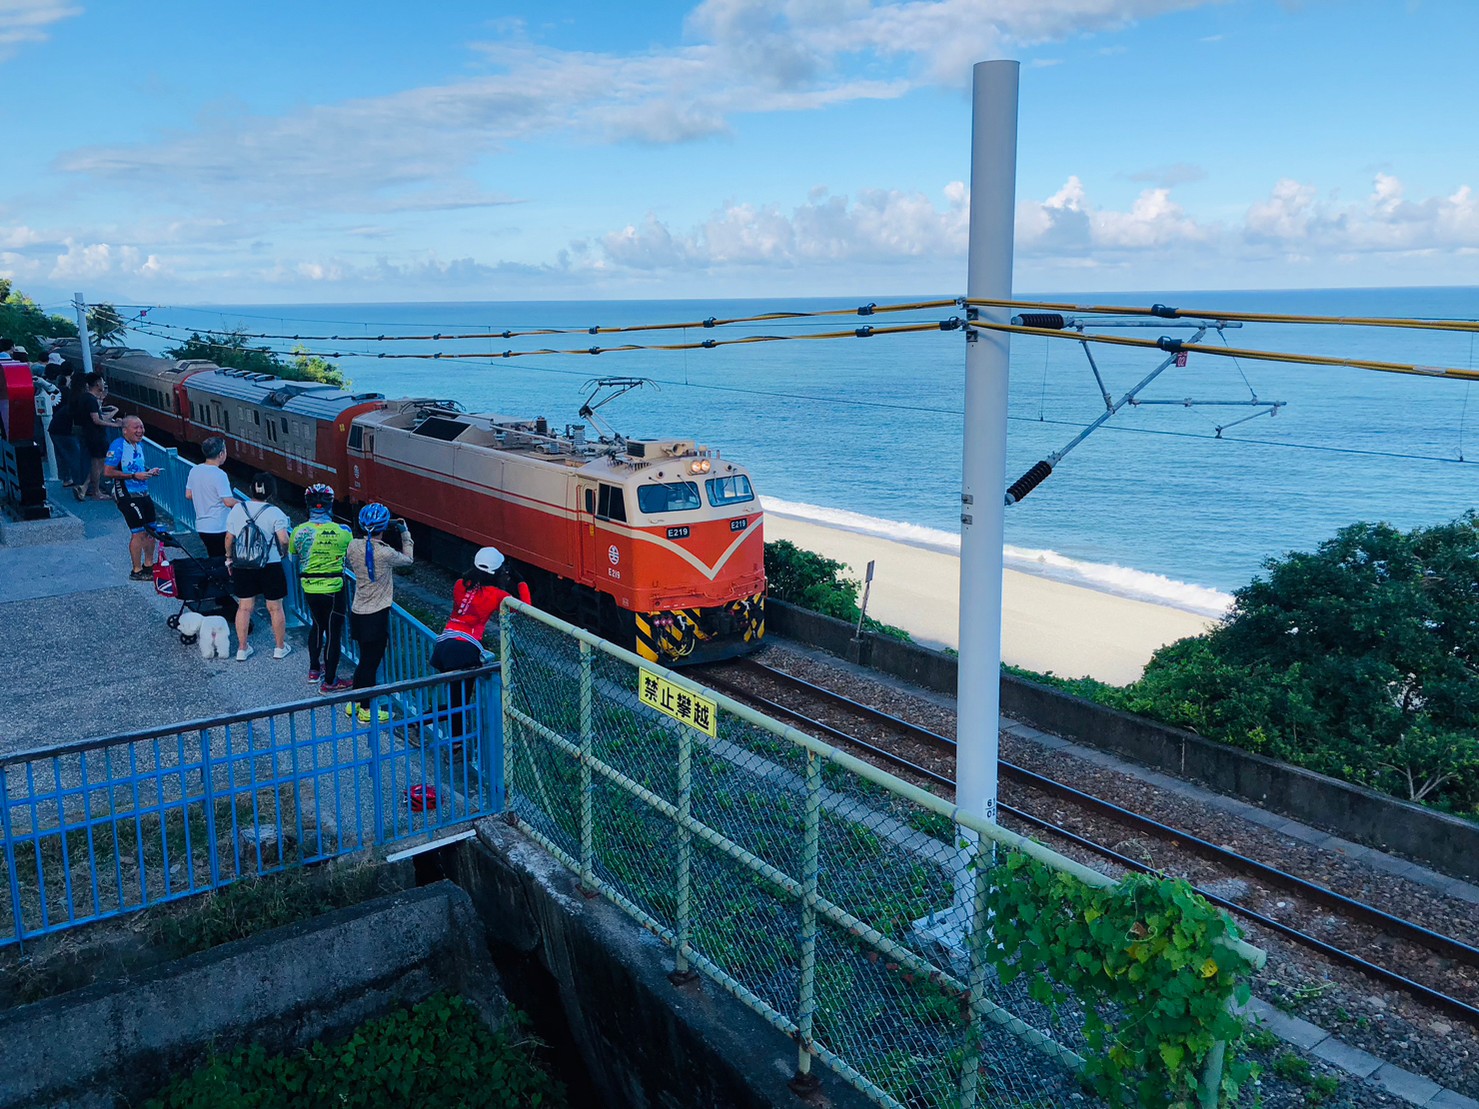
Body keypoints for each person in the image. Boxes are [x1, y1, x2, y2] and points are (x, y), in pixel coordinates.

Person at [431, 547, 531, 739]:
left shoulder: (460, 584)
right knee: (460, 702)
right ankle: (432, 729)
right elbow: (524, 608)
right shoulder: (497, 595)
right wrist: (520, 580)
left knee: (456, 700)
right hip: (465, 649)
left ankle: (453, 741)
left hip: (444, 644)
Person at [344, 503, 413, 723]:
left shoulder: (353, 546)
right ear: (384, 526)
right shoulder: (385, 553)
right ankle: (366, 709)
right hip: (376, 615)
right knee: (370, 663)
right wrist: (405, 533)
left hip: (358, 611)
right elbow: (408, 559)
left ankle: (353, 703)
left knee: (364, 660)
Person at [290, 483, 353, 693]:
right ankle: (330, 682)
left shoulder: (298, 532)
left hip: (309, 589)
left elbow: (293, 557)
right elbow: (350, 558)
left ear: (308, 506)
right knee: (334, 635)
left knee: (317, 626)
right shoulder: (344, 531)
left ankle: (314, 670)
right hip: (334, 588)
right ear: (330, 505)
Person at [224, 472, 293, 662]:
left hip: (243, 564)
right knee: (275, 607)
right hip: (270, 565)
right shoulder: (275, 512)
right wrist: (283, 553)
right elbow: (284, 539)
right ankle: (279, 647)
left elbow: (229, 539)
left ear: (250, 489)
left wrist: (229, 558)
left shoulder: (237, 510)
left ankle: (242, 648)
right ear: (271, 492)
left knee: (244, 607)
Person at [103, 416, 164, 580]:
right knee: (139, 532)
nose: (140, 431)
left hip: (143, 492)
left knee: (152, 530)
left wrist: (150, 471)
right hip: (127, 493)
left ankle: (149, 566)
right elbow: (108, 471)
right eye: (136, 428)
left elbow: (137, 467)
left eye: (142, 427)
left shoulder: (139, 445)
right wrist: (133, 476)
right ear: (125, 430)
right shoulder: (118, 446)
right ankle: (136, 570)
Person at [184, 437, 237, 557]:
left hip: (202, 526)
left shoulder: (195, 470)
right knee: (223, 559)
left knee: (213, 557)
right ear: (221, 454)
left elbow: (188, 494)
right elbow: (228, 501)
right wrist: (244, 504)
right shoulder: (220, 475)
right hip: (219, 526)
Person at [75, 372, 120, 500]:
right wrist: (115, 426)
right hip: (96, 436)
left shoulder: (85, 398)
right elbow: (97, 420)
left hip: (90, 435)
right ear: (97, 384)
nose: (103, 384)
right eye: (102, 381)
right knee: (97, 464)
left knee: (99, 464)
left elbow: (100, 417)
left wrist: (114, 412)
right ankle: (95, 492)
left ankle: (84, 487)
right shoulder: (91, 400)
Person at [45, 366, 85, 490]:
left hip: (55, 427)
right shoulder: (78, 397)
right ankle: (80, 484)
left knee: (62, 455)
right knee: (74, 456)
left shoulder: (70, 393)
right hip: (64, 430)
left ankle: (67, 479)